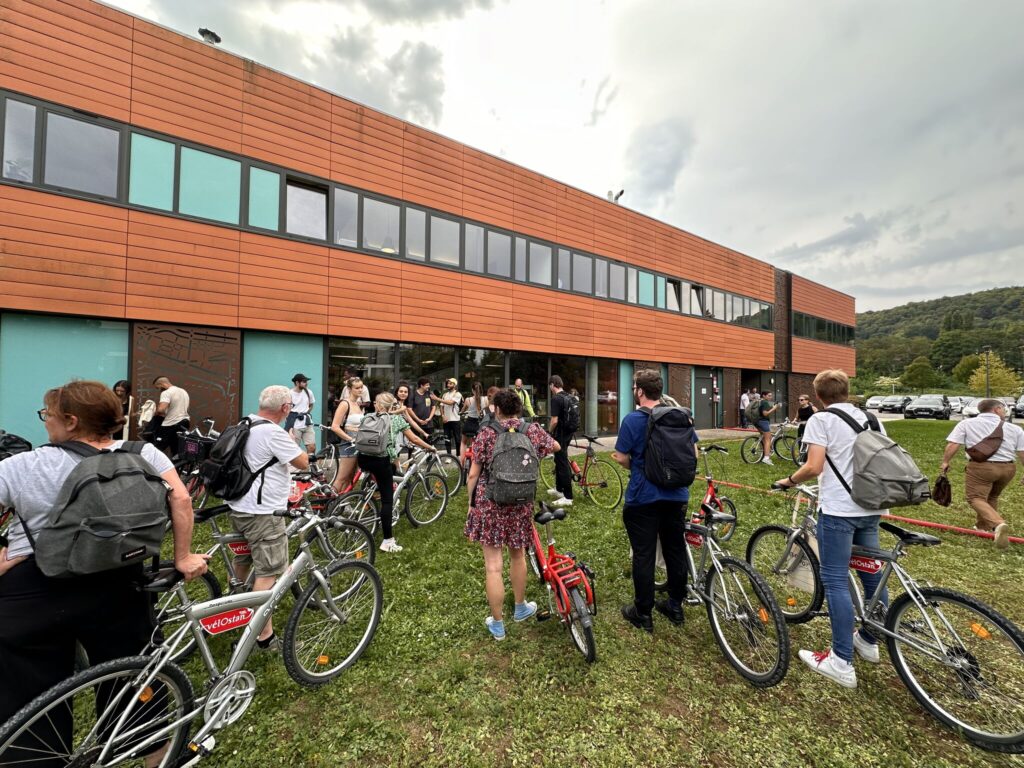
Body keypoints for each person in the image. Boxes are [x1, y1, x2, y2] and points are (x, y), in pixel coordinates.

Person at [0, 380, 209, 734]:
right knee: (133, 679)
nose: (44, 422)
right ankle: (147, 748)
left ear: (70, 421)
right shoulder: (144, 454)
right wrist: (183, 556)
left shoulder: (23, 465)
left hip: (37, 584)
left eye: (46, 415)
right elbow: (182, 500)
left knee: (29, 693)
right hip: (120, 577)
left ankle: (34, 754)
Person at [773, 369, 888, 689]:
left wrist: (789, 480)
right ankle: (868, 639)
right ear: (847, 391)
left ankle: (841, 660)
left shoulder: (821, 421)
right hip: (872, 506)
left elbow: (814, 466)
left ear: (818, 395)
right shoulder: (873, 419)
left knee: (835, 580)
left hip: (839, 509)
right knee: (872, 574)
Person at [465, 388, 558, 641]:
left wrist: (470, 503)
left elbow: (474, 474)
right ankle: (520, 607)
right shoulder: (532, 430)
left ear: (496, 409)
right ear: (518, 408)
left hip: (490, 502)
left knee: (493, 566)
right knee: (518, 556)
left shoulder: (486, 433)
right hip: (520, 503)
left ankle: (497, 624)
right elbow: (556, 446)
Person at [611, 369, 696, 633]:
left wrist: (641, 467)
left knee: (644, 554)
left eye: (634, 387)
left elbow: (620, 456)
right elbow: (693, 451)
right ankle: (675, 605)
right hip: (677, 495)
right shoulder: (680, 416)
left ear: (639, 391)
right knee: (675, 551)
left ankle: (643, 612)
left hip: (643, 498)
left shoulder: (633, 420)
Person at [227, 385, 310, 650]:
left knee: (244, 557)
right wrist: (292, 439)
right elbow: (303, 462)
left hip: (238, 505)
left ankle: (236, 603)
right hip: (264, 512)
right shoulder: (274, 433)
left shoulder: (246, 423)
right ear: (285, 408)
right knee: (268, 571)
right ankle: (264, 636)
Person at [357, 392, 437, 553]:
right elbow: (413, 439)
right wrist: (430, 447)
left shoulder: (368, 417)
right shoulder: (396, 419)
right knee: (388, 501)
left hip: (363, 458)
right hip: (381, 460)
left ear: (377, 405)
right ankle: (388, 541)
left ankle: (373, 492)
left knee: (389, 473)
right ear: (392, 405)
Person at [940, 398, 1023, 549]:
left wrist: (945, 462)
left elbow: (953, 444)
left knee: (975, 498)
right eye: (1003, 409)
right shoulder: (1015, 429)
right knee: (992, 496)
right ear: (996, 409)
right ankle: (983, 528)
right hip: (1008, 469)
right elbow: (1022, 452)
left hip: (981, 468)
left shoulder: (966, 424)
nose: (1005, 412)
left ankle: (998, 524)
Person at [328, 377, 365, 492]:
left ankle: (344, 502)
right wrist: (350, 439)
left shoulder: (357, 404)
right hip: (348, 443)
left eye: (361, 387)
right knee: (342, 477)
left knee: (350, 477)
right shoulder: (345, 403)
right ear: (349, 389)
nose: (360, 390)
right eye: (357, 388)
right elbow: (335, 426)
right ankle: (330, 502)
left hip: (357, 443)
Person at [547, 375, 574, 508]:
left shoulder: (556, 399)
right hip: (569, 433)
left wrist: (549, 432)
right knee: (559, 459)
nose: (550, 388)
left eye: (550, 386)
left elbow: (554, 420)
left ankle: (568, 497)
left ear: (552, 385)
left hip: (561, 434)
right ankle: (559, 489)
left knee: (562, 463)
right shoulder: (569, 396)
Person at [152, 376, 190, 457]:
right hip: (184, 423)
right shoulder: (183, 391)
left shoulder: (166, 392)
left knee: (156, 448)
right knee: (176, 450)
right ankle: (177, 468)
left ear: (161, 384)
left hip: (171, 424)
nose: (159, 390)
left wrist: (153, 413)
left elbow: (161, 410)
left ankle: (149, 468)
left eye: (158, 388)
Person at [287, 373, 317, 455]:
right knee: (294, 448)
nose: (306, 383)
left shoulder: (308, 392)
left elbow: (311, 405)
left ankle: (310, 466)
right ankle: (294, 467)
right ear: (297, 383)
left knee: (312, 447)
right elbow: (286, 409)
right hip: (295, 424)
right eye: (304, 381)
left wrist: (306, 413)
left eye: (306, 381)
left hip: (307, 423)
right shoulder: (289, 394)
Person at [462, 382, 488, 457]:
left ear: (472, 390)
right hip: (480, 425)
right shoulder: (486, 399)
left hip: (469, 424)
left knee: (463, 442)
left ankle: (461, 462)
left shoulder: (468, 400)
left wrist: (461, 411)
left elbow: (463, 410)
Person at [440, 377, 463, 457]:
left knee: (457, 438)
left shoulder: (457, 394)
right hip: (446, 420)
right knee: (447, 438)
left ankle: (458, 455)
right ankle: (449, 456)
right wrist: (443, 416)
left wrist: (437, 399)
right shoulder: (444, 395)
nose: (448, 385)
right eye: (448, 383)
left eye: (450, 383)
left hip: (455, 419)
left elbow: (450, 403)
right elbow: (441, 406)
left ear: (454, 385)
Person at [756, 390, 779, 465]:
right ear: (764, 396)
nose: (770, 397)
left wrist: (774, 407)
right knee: (768, 440)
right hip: (764, 422)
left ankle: (762, 454)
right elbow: (765, 414)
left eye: (771, 395)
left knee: (763, 439)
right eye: (769, 395)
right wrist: (774, 408)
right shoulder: (765, 402)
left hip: (757, 421)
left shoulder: (759, 402)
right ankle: (766, 458)